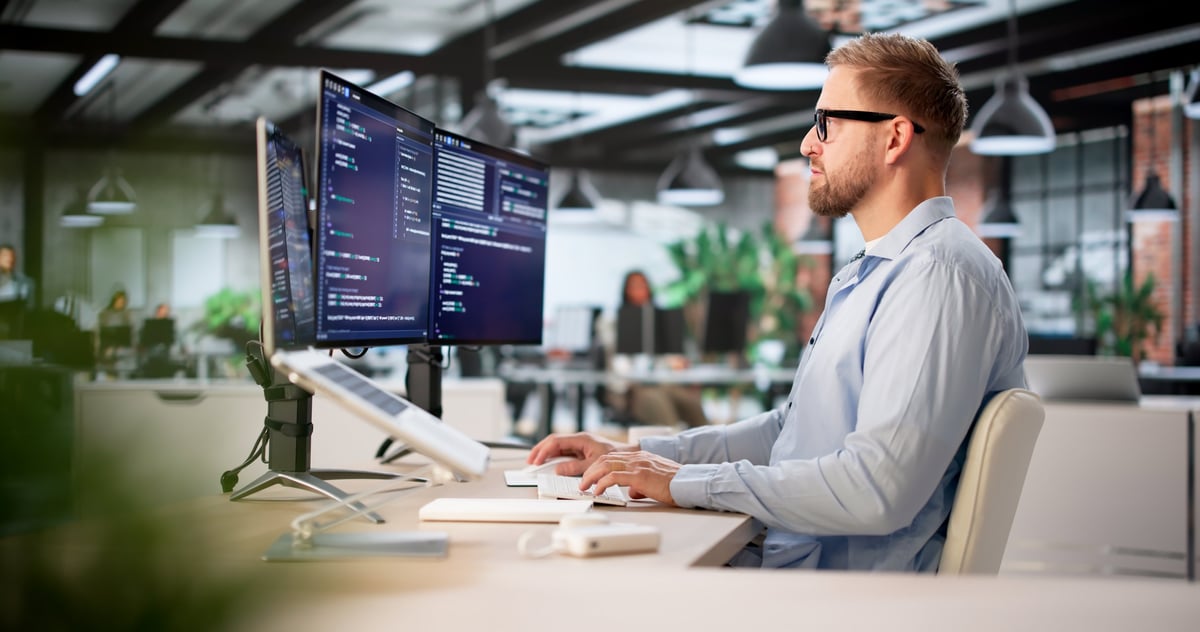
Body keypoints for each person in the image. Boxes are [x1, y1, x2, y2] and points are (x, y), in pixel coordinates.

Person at [528, 33, 1028, 572]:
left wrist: (685, 482)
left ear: (894, 139)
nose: (807, 145)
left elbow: (876, 488)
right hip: (794, 558)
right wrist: (641, 455)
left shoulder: (937, 277)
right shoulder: (872, 273)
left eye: (826, 124)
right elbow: (789, 432)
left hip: (834, 591)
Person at [603, 270, 707, 428]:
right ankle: (673, 449)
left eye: (642, 285)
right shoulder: (612, 322)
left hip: (662, 383)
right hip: (635, 390)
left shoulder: (659, 321)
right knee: (667, 418)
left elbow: (665, 360)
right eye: (634, 286)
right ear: (625, 290)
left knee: (693, 406)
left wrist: (674, 363)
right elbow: (619, 367)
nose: (639, 290)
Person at [0, 243, 35, 338]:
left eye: (12, 256)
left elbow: (29, 307)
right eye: (5, 256)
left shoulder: (25, 283)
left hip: (15, 326)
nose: (9, 259)